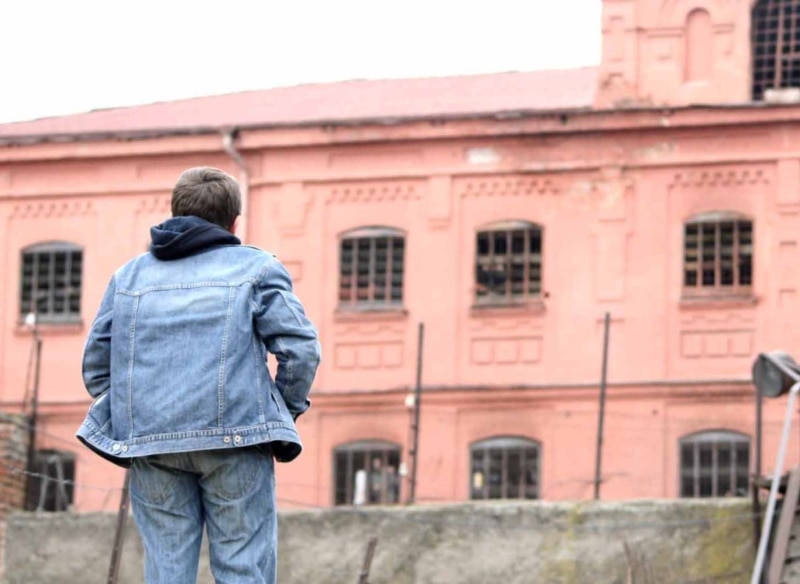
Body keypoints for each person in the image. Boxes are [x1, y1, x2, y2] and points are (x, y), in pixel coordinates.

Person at [76, 166, 321, 584]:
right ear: (234, 222)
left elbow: (97, 364)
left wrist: (138, 411)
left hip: (152, 443)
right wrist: (281, 411)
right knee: (243, 569)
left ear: (174, 212)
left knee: (166, 570)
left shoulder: (129, 276)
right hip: (238, 437)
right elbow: (300, 349)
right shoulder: (258, 269)